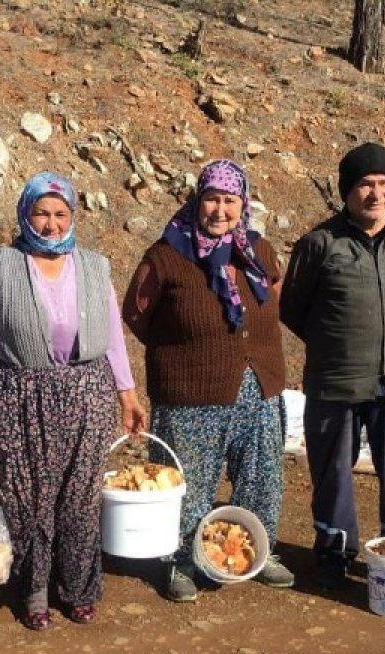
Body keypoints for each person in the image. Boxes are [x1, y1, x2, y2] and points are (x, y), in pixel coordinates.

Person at [0, 173, 146, 630]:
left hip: (87, 393)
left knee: (79, 497)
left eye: (61, 214)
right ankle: (34, 591)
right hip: (18, 395)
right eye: (41, 213)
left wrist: (128, 393)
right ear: (25, 214)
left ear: (73, 217)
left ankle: (78, 588)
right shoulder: (1, 265)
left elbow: (113, 338)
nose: (51, 224)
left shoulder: (94, 266)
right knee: (27, 499)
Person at [123, 159, 295, 603]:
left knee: (262, 475)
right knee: (188, 482)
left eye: (230, 200)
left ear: (243, 204)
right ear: (197, 202)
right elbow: (135, 313)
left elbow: (274, 298)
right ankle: (177, 561)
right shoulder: (166, 255)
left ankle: (259, 550)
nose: (220, 210)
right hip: (191, 392)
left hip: (259, 385)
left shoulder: (259, 250)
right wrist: (183, 350)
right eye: (212, 199)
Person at [280, 142, 385, 587]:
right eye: (365, 184)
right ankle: (334, 554)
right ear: (347, 190)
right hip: (335, 381)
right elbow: (293, 308)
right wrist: (340, 344)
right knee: (332, 474)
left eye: (384, 183)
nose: (376, 193)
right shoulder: (319, 243)